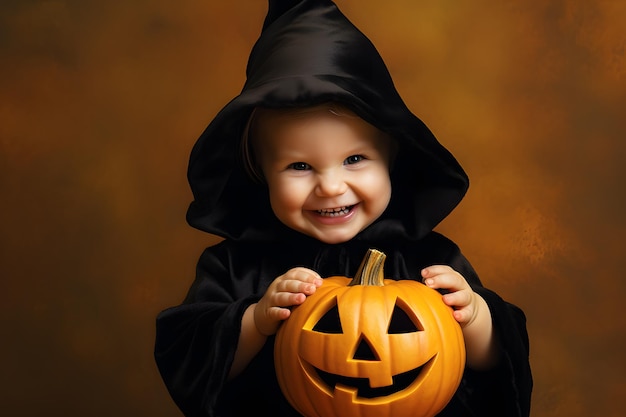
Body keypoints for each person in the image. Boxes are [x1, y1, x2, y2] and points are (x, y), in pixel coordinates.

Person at [154, 1, 533, 416]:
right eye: (299, 166)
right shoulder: (234, 267)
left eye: (355, 159)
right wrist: (256, 320)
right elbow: (189, 359)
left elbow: (495, 367)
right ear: (260, 173)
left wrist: (475, 317)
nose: (331, 187)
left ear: (392, 160)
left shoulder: (431, 260)